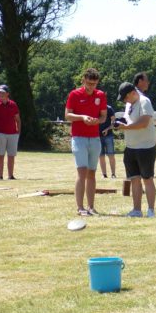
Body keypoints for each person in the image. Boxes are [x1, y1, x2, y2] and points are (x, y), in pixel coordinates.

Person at [65, 68, 107, 216]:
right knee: (81, 172)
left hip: (95, 138)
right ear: (83, 80)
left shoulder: (100, 95)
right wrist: (82, 117)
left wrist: (97, 120)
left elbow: (103, 116)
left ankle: (91, 207)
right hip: (79, 138)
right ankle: (80, 208)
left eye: (94, 84)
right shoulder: (74, 94)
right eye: (89, 83)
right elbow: (67, 115)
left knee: (92, 174)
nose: (91, 87)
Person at [116, 82, 156, 218]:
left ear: (133, 93)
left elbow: (144, 123)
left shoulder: (145, 102)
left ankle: (151, 211)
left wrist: (125, 128)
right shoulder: (129, 104)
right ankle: (136, 210)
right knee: (134, 179)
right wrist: (118, 123)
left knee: (147, 179)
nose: (124, 101)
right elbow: (128, 120)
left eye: (125, 97)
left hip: (145, 147)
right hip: (130, 147)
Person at [0, 84, 20, 180]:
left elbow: (18, 119)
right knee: (0, 155)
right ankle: (0, 176)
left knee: (11, 156)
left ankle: (10, 175)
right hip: (0, 133)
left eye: (2, 92)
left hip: (13, 134)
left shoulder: (13, 104)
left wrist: (18, 132)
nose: (0, 94)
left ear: (7, 94)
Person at [98, 102, 117, 178]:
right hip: (98, 136)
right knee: (101, 156)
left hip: (108, 136)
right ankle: (104, 174)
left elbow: (114, 122)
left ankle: (113, 174)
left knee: (111, 155)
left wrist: (107, 129)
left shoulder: (109, 108)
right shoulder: (95, 108)